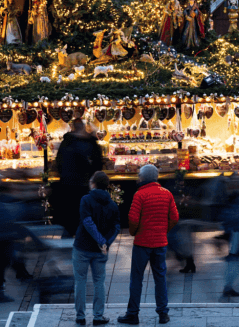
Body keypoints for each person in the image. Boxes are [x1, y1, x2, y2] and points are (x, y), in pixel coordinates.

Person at [118, 165, 179, 325]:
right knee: (160, 278)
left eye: (139, 176)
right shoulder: (167, 194)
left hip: (142, 243)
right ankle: (163, 314)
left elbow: (132, 219)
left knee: (137, 279)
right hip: (160, 243)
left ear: (143, 178)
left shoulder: (140, 195)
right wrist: (164, 230)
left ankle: (133, 314)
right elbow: (174, 217)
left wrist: (134, 232)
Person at [74, 171, 120, 326]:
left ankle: (80, 317)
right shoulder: (112, 204)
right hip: (101, 251)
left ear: (93, 183)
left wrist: (101, 240)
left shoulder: (86, 200)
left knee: (80, 281)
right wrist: (106, 242)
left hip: (82, 247)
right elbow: (116, 227)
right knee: (99, 282)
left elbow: (87, 222)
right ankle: (98, 317)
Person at [54, 119, 104, 237]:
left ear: (73, 127)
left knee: (70, 216)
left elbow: (58, 163)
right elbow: (98, 164)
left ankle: (68, 238)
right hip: (84, 185)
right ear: (83, 127)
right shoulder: (90, 143)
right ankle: (83, 238)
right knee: (84, 214)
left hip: (67, 185)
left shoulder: (66, 142)